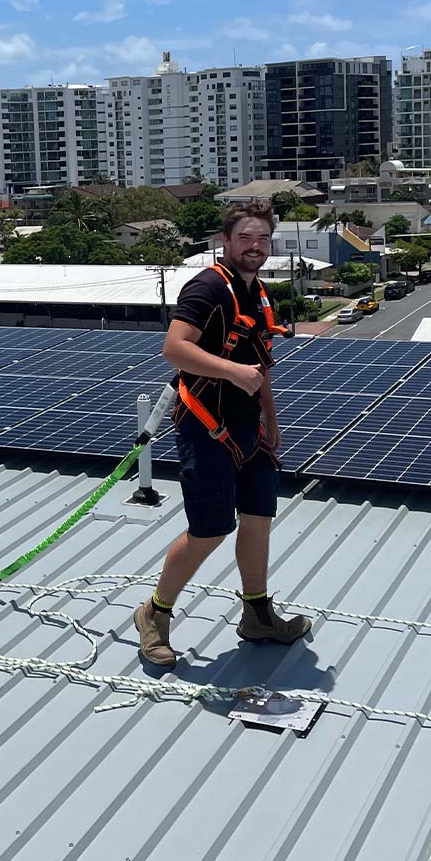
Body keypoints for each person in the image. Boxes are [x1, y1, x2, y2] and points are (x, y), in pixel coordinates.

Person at [134, 200, 311, 666]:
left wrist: (271, 417)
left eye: (263, 240)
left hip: (249, 426)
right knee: (210, 530)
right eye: (245, 239)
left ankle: (258, 614)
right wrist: (233, 373)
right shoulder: (209, 288)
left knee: (258, 518)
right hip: (206, 427)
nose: (255, 247)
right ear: (226, 242)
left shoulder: (258, 292)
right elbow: (173, 348)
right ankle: (154, 614)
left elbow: (260, 362)